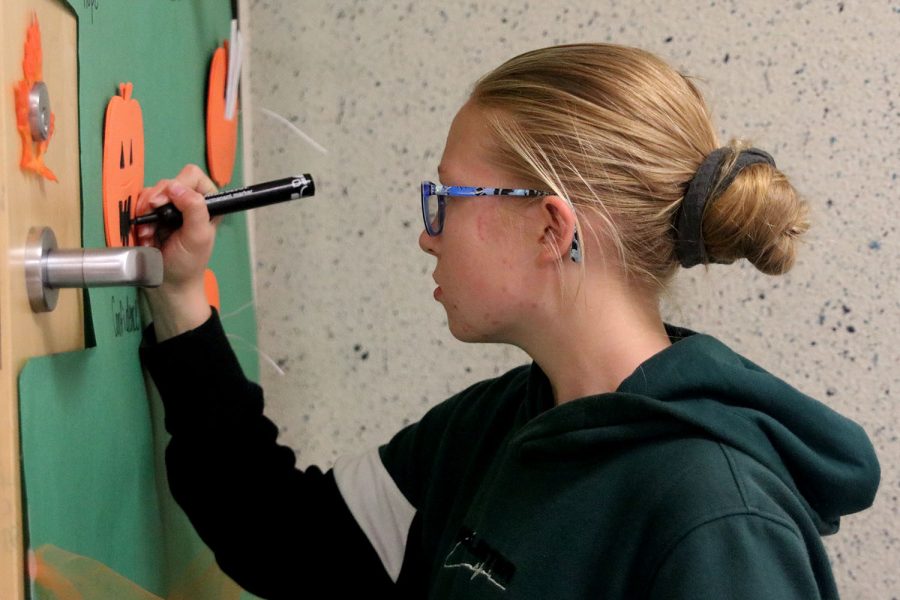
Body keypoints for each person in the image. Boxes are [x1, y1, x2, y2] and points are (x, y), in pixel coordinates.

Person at [137, 43, 880, 599]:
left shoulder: (719, 524)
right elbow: (287, 538)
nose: (429, 234)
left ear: (550, 228)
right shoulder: (503, 425)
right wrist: (181, 299)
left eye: (450, 200)